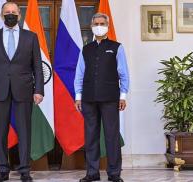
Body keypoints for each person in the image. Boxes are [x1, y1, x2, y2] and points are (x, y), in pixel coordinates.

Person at [0, 2, 44, 182]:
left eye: (14, 12)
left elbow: (37, 67)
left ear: (19, 15)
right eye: (7, 12)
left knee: (24, 131)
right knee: (0, 131)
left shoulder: (31, 37)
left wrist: (39, 90)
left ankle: (25, 170)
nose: (10, 14)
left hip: (24, 89)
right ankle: (2, 170)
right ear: (1, 15)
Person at [74, 13, 130, 182]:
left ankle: (114, 173)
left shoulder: (117, 47)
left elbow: (124, 74)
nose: (99, 26)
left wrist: (123, 95)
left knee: (111, 136)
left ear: (107, 26)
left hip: (110, 98)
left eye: (102, 23)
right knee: (90, 136)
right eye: (96, 23)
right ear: (92, 27)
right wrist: (78, 96)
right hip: (89, 98)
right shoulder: (86, 49)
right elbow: (79, 74)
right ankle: (92, 172)